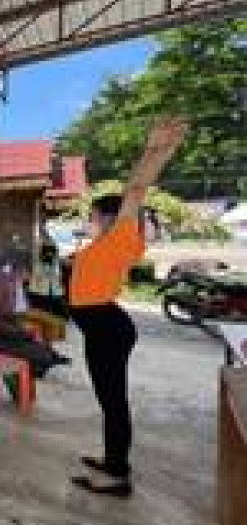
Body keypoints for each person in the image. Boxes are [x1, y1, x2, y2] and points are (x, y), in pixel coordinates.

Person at [69, 117, 188, 498]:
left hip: (106, 327)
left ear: (108, 218)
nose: (88, 222)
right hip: (102, 326)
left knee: (113, 402)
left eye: (91, 217)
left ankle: (117, 475)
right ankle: (112, 461)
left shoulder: (120, 236)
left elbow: (135, 189)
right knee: (110, 400)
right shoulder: (107, 244)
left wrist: (157, 150)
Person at [0, 260, 70, 402]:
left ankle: (41, 364)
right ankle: (31, 375)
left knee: (35, 345)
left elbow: (0, 318)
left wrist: (19, 331)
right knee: (36, 350)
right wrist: (21, 333)